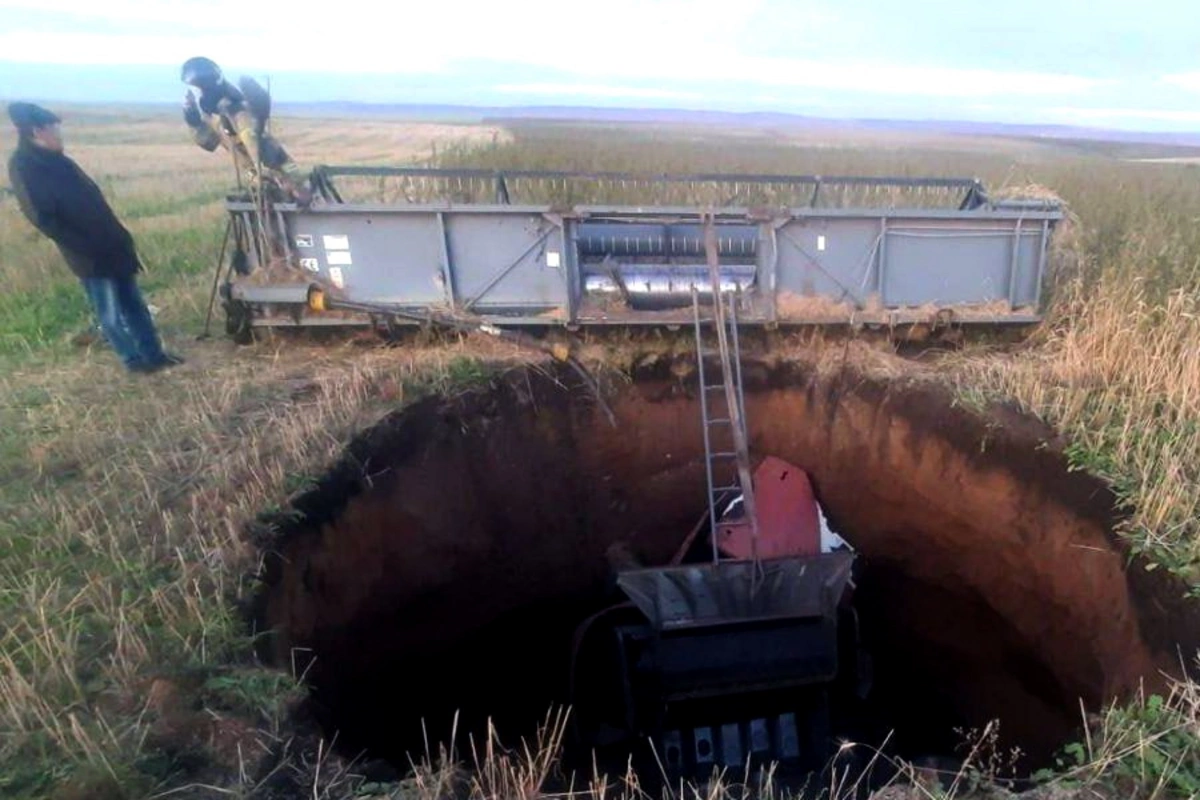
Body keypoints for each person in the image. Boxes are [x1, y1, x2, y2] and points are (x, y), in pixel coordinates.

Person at [6, 102, 184, 374]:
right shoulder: (24, 167)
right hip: (88, 254)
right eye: (54, 129)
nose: (59, 135)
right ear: (37, 131)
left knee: (135, 305)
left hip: (113, 244)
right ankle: (134, 362)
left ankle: (154, 355)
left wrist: (119, 236)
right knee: (110, 313)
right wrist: (84, 247)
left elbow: (94, 202)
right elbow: (43, 219)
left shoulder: (61, 161)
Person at [180, 56, 311, 205]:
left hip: (278, 175)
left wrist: (274, 178)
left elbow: (254, 145)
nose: (193, 95)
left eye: (195, 89)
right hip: (262, 179)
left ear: (206, 88)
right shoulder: (216, 114)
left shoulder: (238, 112)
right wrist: (193, 119)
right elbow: (208, 142)